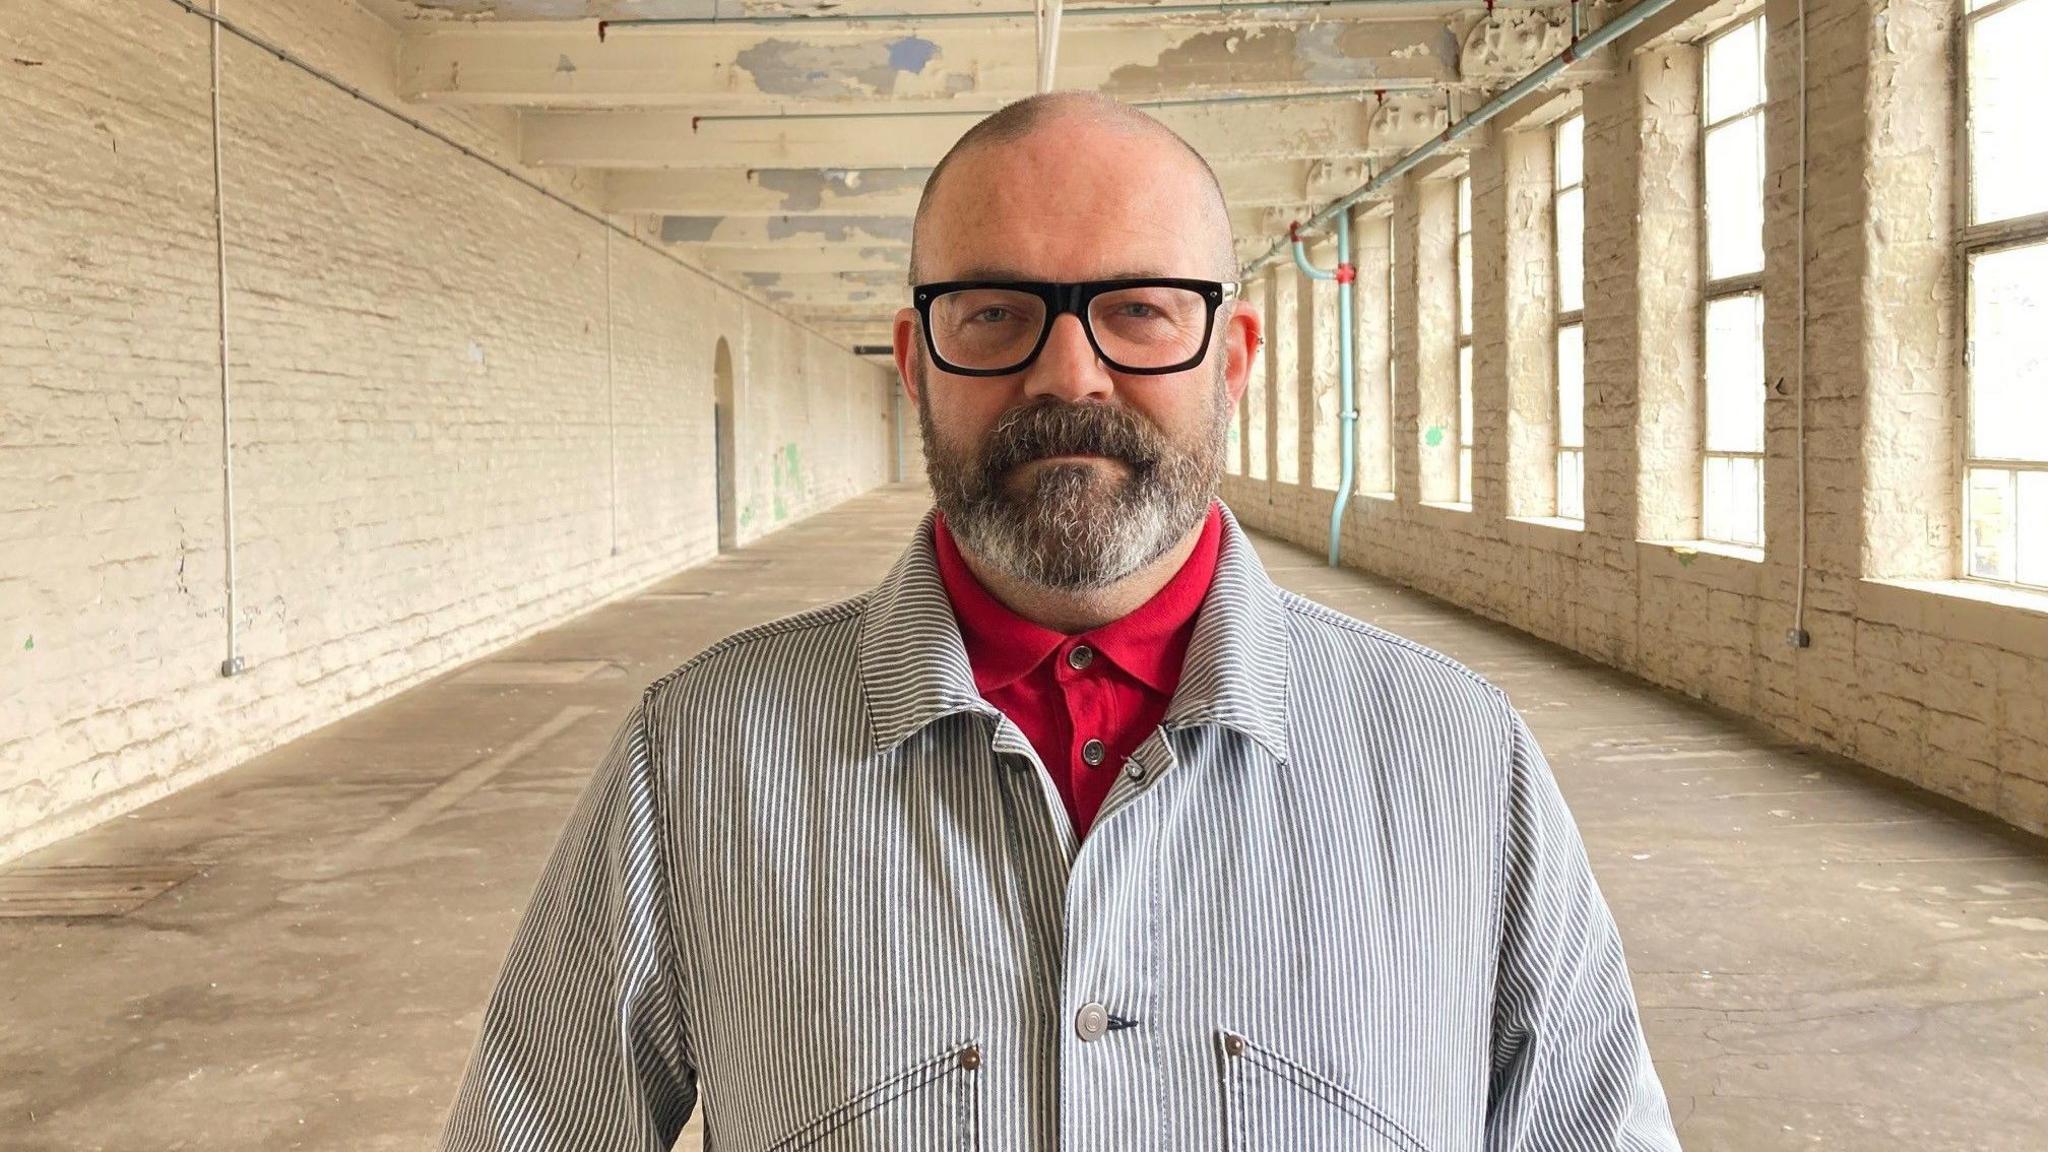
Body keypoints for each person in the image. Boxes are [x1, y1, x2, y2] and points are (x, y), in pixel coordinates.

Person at [439, 91, 1682, 1152]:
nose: (1067, 374)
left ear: (1231, 358)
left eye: (1139, 309)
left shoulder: (1459, 757)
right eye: (992, 313)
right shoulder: (698, 756)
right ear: (916, 362)